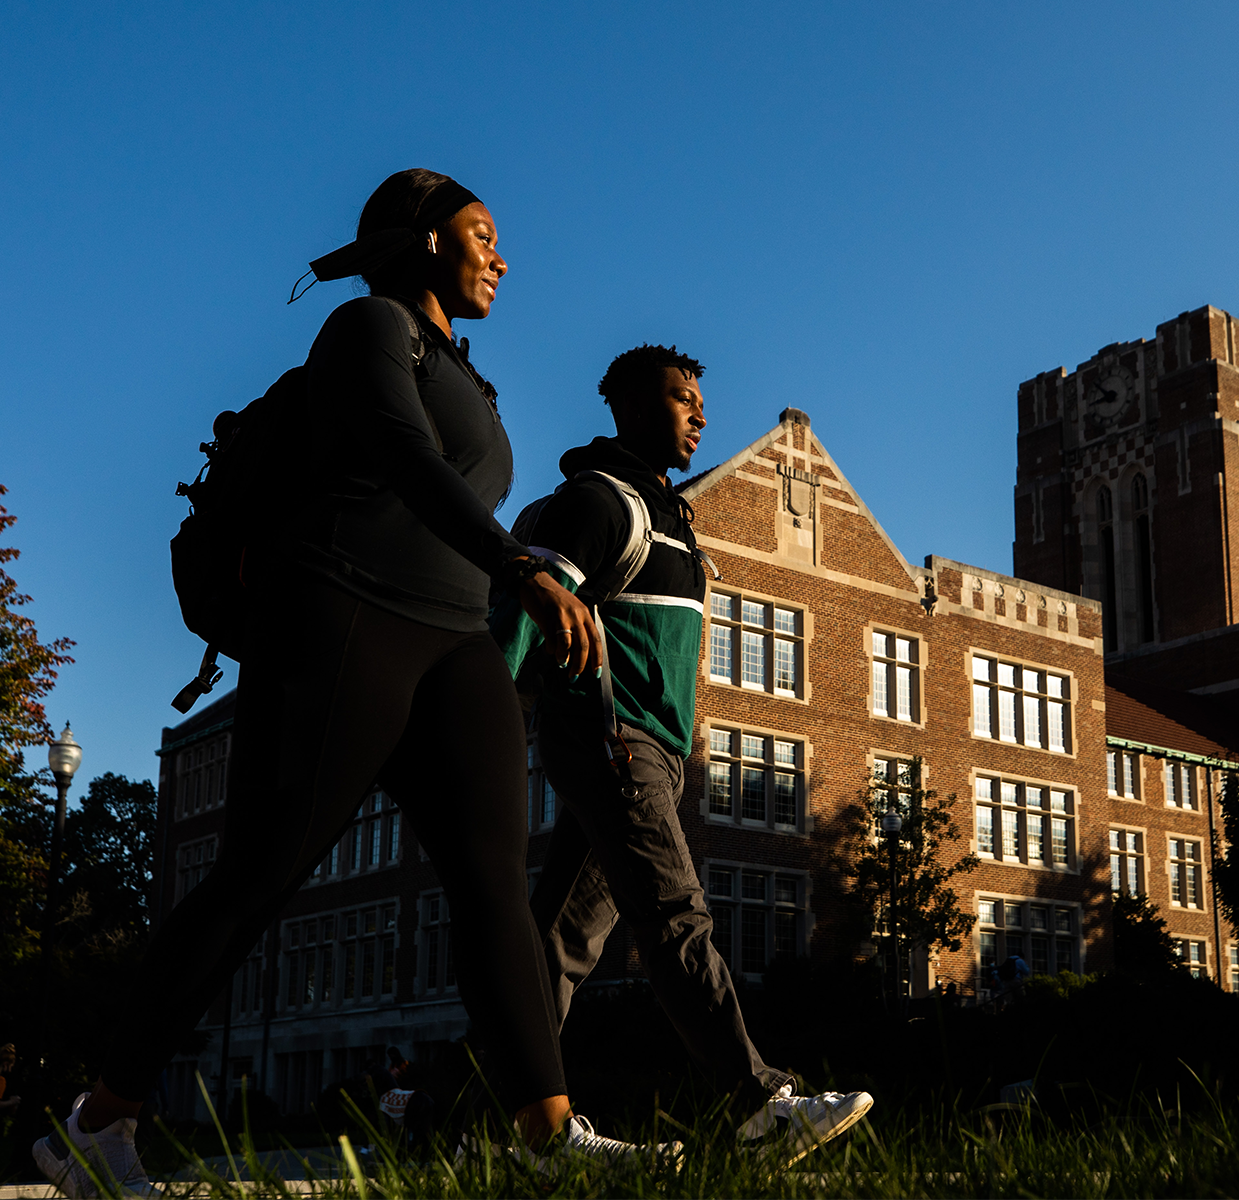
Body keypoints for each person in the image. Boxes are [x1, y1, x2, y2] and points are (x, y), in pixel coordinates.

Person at [34, 170, 667, 1199]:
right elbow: (403, 456)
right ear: (421, 243)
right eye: (482, 235)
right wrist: (525, 566)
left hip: (456, 638)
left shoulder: (471, 373)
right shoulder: (368, 329)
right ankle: (97, 1127)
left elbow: (455, 481)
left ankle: (548, 1139)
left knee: (491, 881)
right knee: (258, 874)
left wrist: (505, 577)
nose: (502, 257)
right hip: (344, 612)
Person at [492, 344, 873, 1169]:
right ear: (629, 409)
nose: (698, 413)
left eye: (699, 399)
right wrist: (484, 715)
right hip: (611, 738)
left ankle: (473, 1126)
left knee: (552, 947)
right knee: (675, 917)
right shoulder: (597, 505)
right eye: (678, 398)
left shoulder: (672, 514)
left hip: (657, 752)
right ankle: (761, 1103)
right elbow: (521, 621)